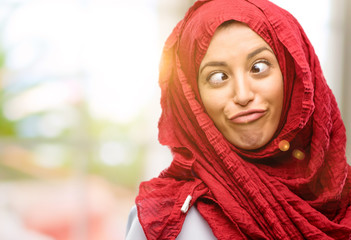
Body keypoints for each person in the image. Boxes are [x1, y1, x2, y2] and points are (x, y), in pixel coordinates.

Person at [126, 0, 351, 239]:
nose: (242, 95)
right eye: (218, 77)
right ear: (192, 98)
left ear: (293, 73)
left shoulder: (343, 204)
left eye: (259, 67)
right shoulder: (165, 224)